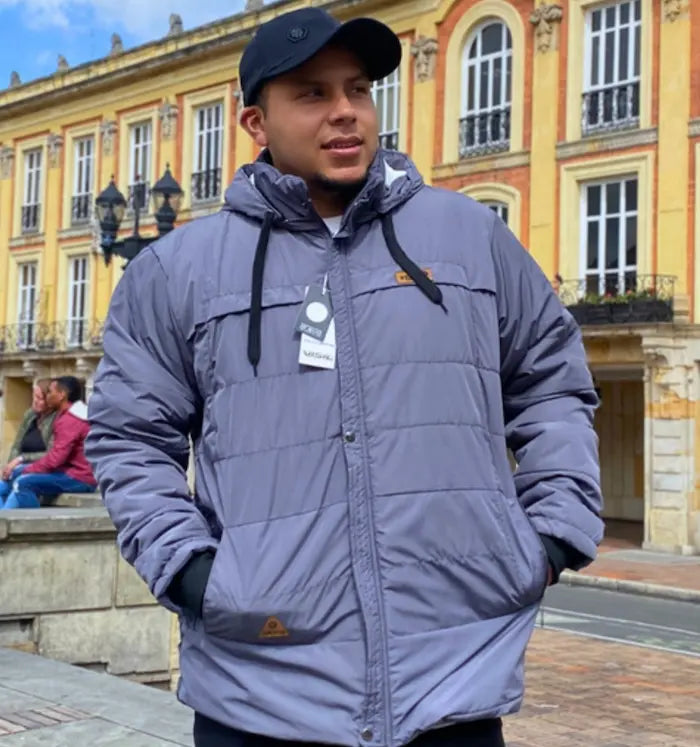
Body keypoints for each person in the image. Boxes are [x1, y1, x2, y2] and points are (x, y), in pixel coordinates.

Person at [86, 8, 603, 747]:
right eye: (312, 93)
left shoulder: (470, 237)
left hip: (451, 689)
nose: (345, 112)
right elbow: (129, 437)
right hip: (258, 690)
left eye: (358, 89)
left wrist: (547, 540)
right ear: (256, 122)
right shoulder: (177, 270)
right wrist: (195, 574)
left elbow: (552, 382)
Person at [1, 376, 96, 509]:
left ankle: (31, 521)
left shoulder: (71, 420)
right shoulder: (65, 415)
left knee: (23, 483)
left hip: (79, 478)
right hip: (68, 472)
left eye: (50, 392)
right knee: (14, 474)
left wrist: (29, 469)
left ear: (61, 395)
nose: (47, 396)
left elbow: (55, 459)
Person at [1, 379, 57, 491]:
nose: (35, 401)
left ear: (49, 401)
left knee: (14, 482)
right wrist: (9, 466)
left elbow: (51, 454)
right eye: (34, 396)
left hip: (39, 467)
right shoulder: (30, 414)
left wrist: (20, 459)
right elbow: (17, 445)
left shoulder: (56, 419)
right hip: (19, 467)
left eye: (39, 398)